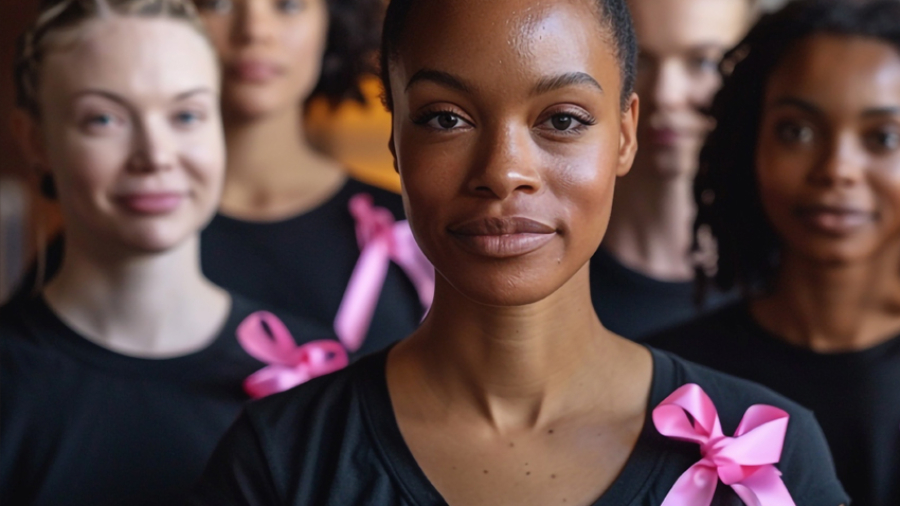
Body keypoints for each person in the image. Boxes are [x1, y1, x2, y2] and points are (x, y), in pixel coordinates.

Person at [192, 0, 848, 504]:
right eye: (446, 118)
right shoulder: (284, 459)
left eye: (562, 120)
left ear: (624, 134)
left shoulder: (767, 448)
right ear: (395, 137)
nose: (504, 171)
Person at [0, 1, 337, 504]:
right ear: (35, 140)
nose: (155, 155)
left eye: (186, 114)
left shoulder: (315, 373)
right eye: (104, 119)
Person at [647, 1, 900, 504]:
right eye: (797, 131)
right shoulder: (675, 387)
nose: (836, 169)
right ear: (748, 142)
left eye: (884, 138)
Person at [194, 0, 428, 357]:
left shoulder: (410, 234)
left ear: (331, 24)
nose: (254, 31)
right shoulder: (118, 231)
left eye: (288, 5)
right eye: (218, 3)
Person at [590, 0, 752, 339]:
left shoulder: (793, 272)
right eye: (637, 59)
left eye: (705, 62)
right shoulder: (541, 258)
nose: (666, 94)